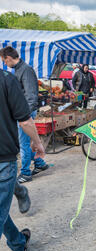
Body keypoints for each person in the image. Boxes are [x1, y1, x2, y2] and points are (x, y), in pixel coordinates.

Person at [0, 68, 46, 251]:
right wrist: (37, 142)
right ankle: (19, 190)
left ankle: (18, 243)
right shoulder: (5, 79)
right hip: (3, 159)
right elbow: (25, 121)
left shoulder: (12, 77)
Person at [0, 46, 49, 183]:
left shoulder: (25, 70)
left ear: (9, 58)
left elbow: (31, 95)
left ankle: (26, 173)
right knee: (25, 142)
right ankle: (39, 164)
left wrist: (24, 115)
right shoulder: (18, 70)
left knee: (24, 143)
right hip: (22, 112)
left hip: (25, 112)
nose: (4, 64)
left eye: (4, 61)